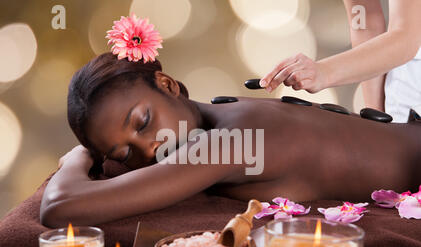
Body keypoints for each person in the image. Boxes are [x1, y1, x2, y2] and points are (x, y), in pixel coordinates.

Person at [40, 52, 421, 228]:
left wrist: (78, 156)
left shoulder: (229, 142)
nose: (148, 149)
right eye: (122, 153)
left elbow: (59, 206)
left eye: (142, 123)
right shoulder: (226, 111)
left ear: (167, 85)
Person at [259, 0, 421, 123]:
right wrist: (378, 119)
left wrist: (324, 72)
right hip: (404, 106)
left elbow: (407, 37)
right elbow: (366, 22)